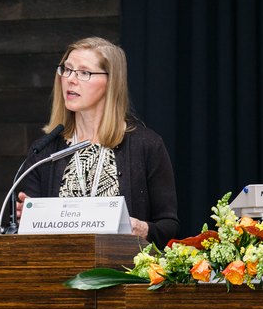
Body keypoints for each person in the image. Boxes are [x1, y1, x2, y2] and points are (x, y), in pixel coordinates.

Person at [16, 36, 179, 249]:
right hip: (59, 275)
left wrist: (143, 229)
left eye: (84, 73)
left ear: (111, 82)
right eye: (67, 69)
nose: (70, 79)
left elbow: (170, 228)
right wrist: (28, 220)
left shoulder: (146, 145)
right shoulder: (44, 151)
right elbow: (28, 240)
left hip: (126, 277)